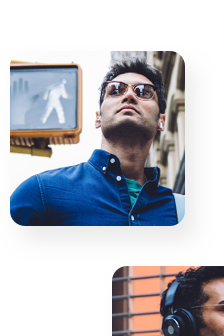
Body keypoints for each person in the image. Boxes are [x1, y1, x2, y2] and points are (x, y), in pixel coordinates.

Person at [11, 57, 182, 226]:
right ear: (98, 118)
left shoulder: (179, 210)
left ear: (161, 121)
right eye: (115, 90)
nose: (129, 95)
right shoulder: (40, 193)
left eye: (144, 91)